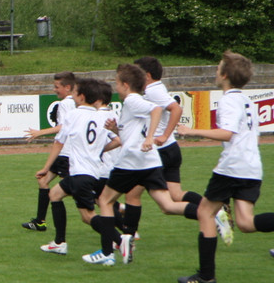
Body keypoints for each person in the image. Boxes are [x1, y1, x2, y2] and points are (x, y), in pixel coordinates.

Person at [175, 52, 274, 283]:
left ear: (225, 75)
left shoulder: (229, 100)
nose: (216, 72)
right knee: (245, 223)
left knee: (205, 213)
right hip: (251, 167)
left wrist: (191, 131)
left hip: (233, 167)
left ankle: (206, 276)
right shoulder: (247, 101)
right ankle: (206, 276)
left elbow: (227, 134)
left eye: (218, 68)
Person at [120, 57, 230, 242]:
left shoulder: (153, 91)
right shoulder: (156, 89)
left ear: (147, 75)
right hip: (170, 149)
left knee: (133, 195)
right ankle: (214, 212)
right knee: (175, 195)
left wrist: (164, 135)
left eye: (138, 73)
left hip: (160, 150)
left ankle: (128, 238)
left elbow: (176, 109)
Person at [86, 63, 183, 266]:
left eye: (117, 83)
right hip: (150, 162)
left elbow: (157, 110)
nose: (116, 87)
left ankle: (108, 252)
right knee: (167, 205)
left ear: (125, 85)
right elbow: (133, 132)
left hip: (130, 162)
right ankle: (207, 212)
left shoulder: (132, 100)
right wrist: (117, 130)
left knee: (104, 201)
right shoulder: (135, 102)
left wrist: (150, 137)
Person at [36, 78, 119, 256]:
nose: (72, 95)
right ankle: (59, 242)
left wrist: (46, 167)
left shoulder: (73, 115)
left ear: (81, 97)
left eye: (74, 92)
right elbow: (118, 140)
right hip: (94, 172)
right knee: (55, 194)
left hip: (81, 173)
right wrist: (98, 150)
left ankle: (120, 240)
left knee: (88, 216)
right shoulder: (101, 116)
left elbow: (59, 143)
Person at [22, 71, 77, 232]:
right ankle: (40, 222)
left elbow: (63, 127)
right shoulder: (75, 102)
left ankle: (115, 208)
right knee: (43, 181)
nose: (54, 89)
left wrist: (40, 132)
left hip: (67, 153)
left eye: (57, 86)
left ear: (68, 87)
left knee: (77, 192)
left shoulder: (65, 104)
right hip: (63, 153)